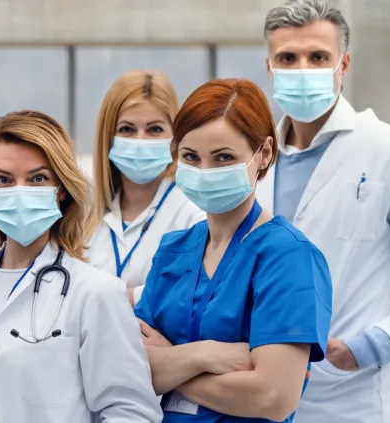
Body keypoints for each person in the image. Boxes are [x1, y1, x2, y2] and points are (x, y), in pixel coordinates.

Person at [258, 2, 390, 422]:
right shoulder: (253, 161)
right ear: (270, 67)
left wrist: (370, 347)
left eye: (318, 56)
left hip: (351, 401)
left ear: (344, 64)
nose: (303, 69)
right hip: (254, 398)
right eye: (288, 58)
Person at [0, 110, 161, 423]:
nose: (21, 191)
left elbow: (132, 413)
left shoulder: (96, 293)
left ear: (61, 189)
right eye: (4, 180)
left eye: (38, 178)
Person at [134, 78, 333, 423]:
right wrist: (204, 355)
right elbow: (134, 370)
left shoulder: (289, 257)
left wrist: (173, 366)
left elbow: (273, 397)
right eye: (191, 157)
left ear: (264, 154)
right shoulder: (172, 250)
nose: (205, 171)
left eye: (224, 157)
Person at [84, 71, 205, 304]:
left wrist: (102, 300)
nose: (140, 140)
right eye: (127, 129)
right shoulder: (85, 220)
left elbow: (187, 294)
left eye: (155, 129)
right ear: (107, 137)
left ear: (175, 139)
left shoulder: (193, 214)